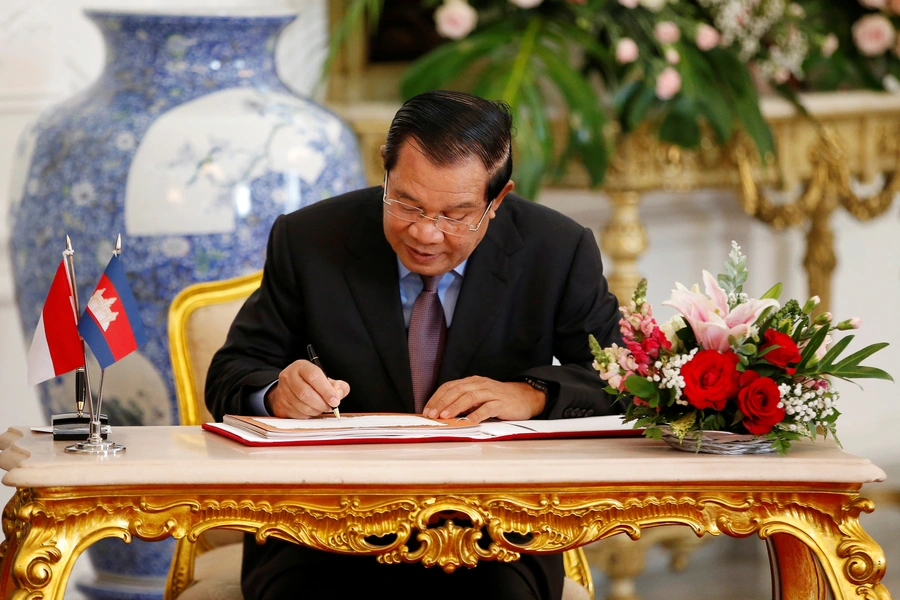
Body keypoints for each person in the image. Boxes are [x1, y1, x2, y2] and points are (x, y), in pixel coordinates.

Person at [206, 90, 622, 600]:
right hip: (322, 524)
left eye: (455, 215)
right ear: (384, 168)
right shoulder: (311, 237)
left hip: (497, 526)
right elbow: (231, 372)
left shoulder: (556, 249)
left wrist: (532, 395)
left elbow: (623, 378)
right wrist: (274, 394)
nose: (426, 233)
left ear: (499, 198)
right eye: (407, 202)